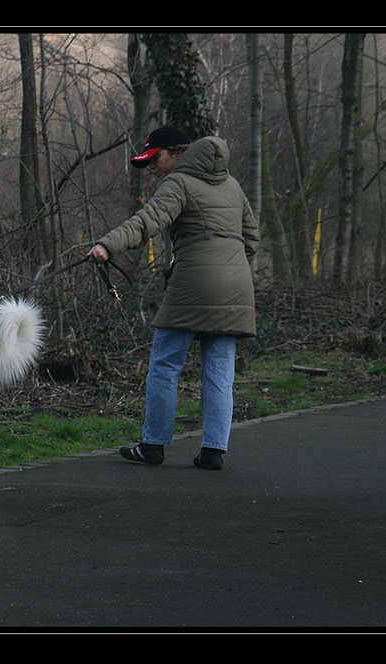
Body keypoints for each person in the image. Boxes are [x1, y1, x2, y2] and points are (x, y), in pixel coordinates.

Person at [88, 126, 260, 470]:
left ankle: (153, 445)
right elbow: (252, 239)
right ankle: (213, 451)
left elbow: (145, 223)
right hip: (237, 289)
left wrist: (107, 245)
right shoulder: (232, 185)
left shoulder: (178, 184)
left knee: (165, 365)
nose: (152, 165)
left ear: (178, 152)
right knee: (220, 373)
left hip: (193, 286)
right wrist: (230, 267)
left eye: (156, 157)